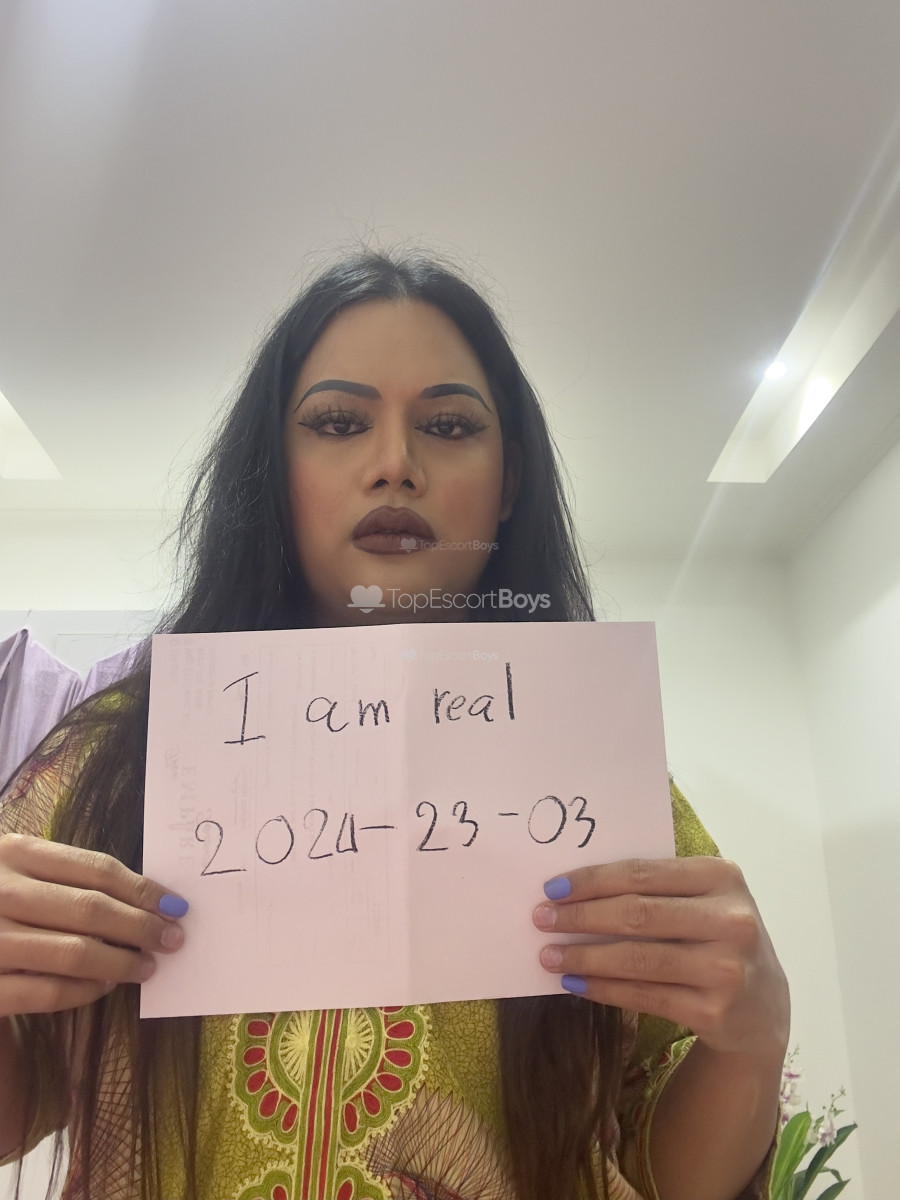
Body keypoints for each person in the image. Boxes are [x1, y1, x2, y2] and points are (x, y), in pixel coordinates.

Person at [0, 247, 790, 1200]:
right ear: (272, 469)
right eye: (338, 422)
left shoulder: (603, 784)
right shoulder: (110, 761)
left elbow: (667, 1178)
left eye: (448, 426)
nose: (395, 466)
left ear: (507, 483)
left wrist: (752, 1042)